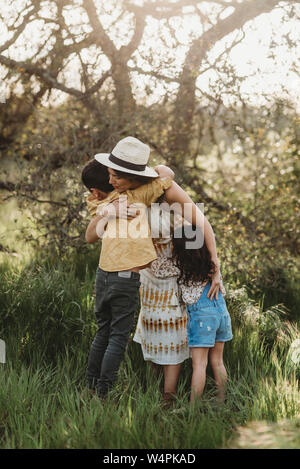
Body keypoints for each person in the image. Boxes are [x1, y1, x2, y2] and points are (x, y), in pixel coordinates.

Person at [82, 136, 222, 400]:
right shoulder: (118, 193)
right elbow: (93, 230)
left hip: (170, 275)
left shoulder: (164, 189)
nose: (111, 180)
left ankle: (168, 396)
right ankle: (148, 388)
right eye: (110, 175)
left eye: (116, 177)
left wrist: (215, 264)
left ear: (132, 175)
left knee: (172, 331)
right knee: (150, 333)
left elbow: (202, 224)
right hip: (141, 275)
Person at [171, 224, 233, 404]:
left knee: (199, 364)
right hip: (221, 313)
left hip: (202, 317)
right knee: (218, 362)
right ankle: (221, 402)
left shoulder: (180, 266)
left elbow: (159, 269)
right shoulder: (212, 264)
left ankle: (193, 408)